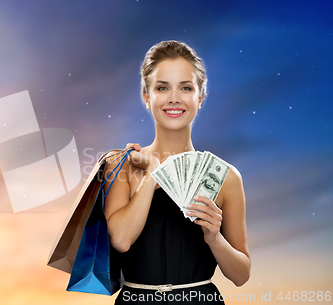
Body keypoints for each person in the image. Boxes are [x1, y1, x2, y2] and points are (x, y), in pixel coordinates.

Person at [102, 40, 250, 304]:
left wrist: (215, 240)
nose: (174, 98)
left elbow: (241, 275)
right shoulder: (120, 165)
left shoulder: (227, 177)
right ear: (146, 97)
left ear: (200, 97)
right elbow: (121, 240)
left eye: (185, 87)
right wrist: (152, 172)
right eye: (162, 87)